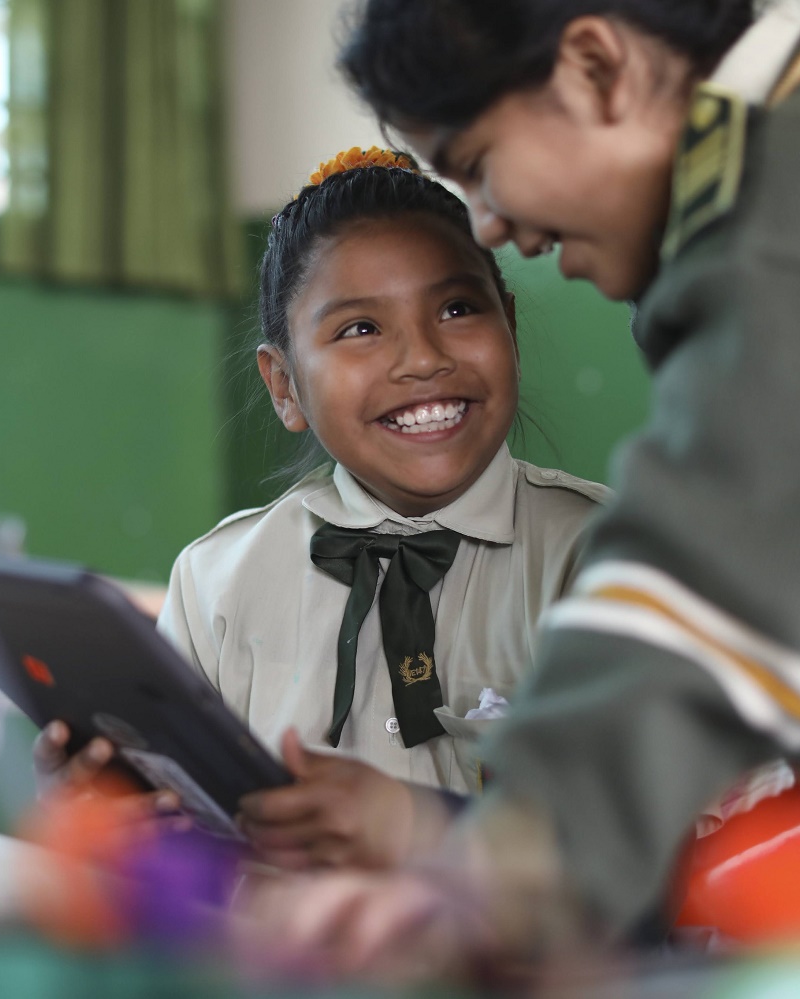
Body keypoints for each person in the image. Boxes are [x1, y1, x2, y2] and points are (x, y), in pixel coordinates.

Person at [244, 0, 800, 992]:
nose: (488, 223)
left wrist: (504, 873)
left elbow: (711, 583)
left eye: (478, 163)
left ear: (600, 68)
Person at [36, 147, 610, 872]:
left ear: (512, 327)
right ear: (283, 385)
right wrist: (114, 820)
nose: (422, 358)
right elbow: (179, 865)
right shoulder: (218, 580)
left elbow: (673, 859)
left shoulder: (608, 562)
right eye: (360, 328)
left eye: (459, 308)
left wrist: (419, 826)